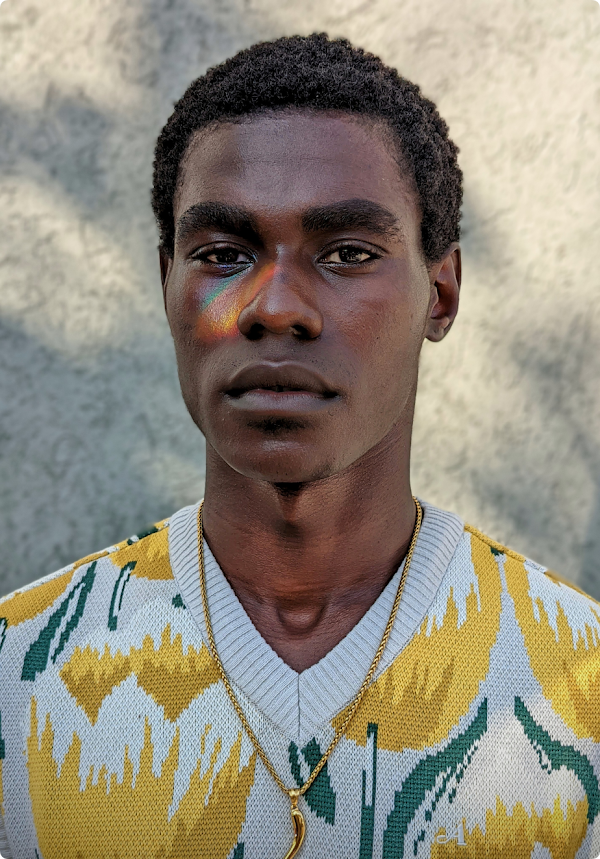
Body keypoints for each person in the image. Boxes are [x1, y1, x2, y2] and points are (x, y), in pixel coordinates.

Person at [0, 32, 599, 859]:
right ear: (166, 281)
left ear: (442, 290)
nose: (277, 306)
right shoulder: (17, 674)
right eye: (223, 254)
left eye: (349, 253)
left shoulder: (583, 683)